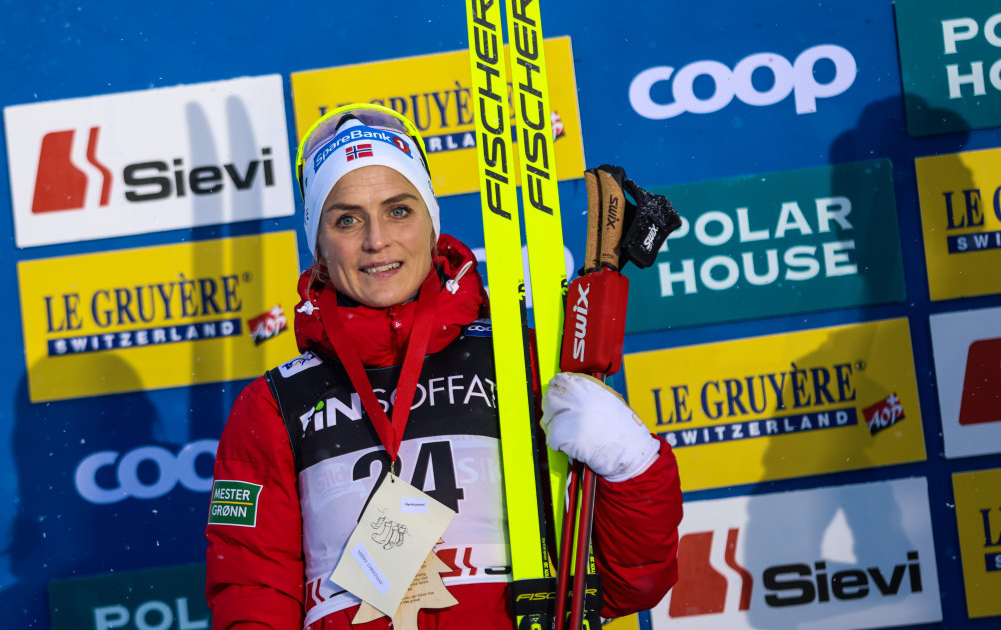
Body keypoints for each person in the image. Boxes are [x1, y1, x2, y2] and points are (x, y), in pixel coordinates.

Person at [205, 104, 682, 629]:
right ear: (318, 244)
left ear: (432, 222)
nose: (376, 240)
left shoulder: (520, 359)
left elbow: (633, 583)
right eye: (346, 218)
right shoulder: (273, 406)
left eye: (399, 210)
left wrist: (631, 465)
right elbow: (251, 591)